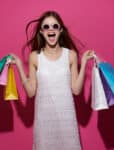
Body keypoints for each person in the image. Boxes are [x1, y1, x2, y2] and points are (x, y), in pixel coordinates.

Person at [10, 10, 95, 150]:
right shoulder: (35, 56)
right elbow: (31, 92)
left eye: (55, 26)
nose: (51, 29)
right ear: (41, 32)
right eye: (46, 27)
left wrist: (84, 62)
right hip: (44, 122)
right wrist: (19, 65)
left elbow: (76, 90)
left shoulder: (71, 55)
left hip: (66, 121)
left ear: (60, 30)